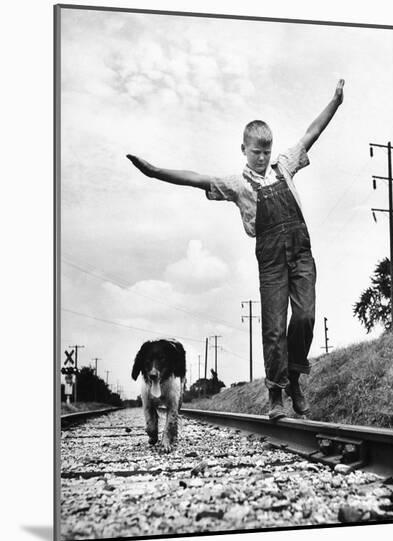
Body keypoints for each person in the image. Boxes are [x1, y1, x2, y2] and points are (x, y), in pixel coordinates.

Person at [126, 79, 345, 420]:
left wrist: (335, 102)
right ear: (243, 148)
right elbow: (194, 177)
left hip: (301, 252)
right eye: (256, 151)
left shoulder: (284, 165)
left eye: (266, 151)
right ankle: (276, 394)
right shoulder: (236, 183)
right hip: (271, 259)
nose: (262, 157)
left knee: (305, 317)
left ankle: (295, 379)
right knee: (274, 327)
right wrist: (155, 172)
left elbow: (310, 133)